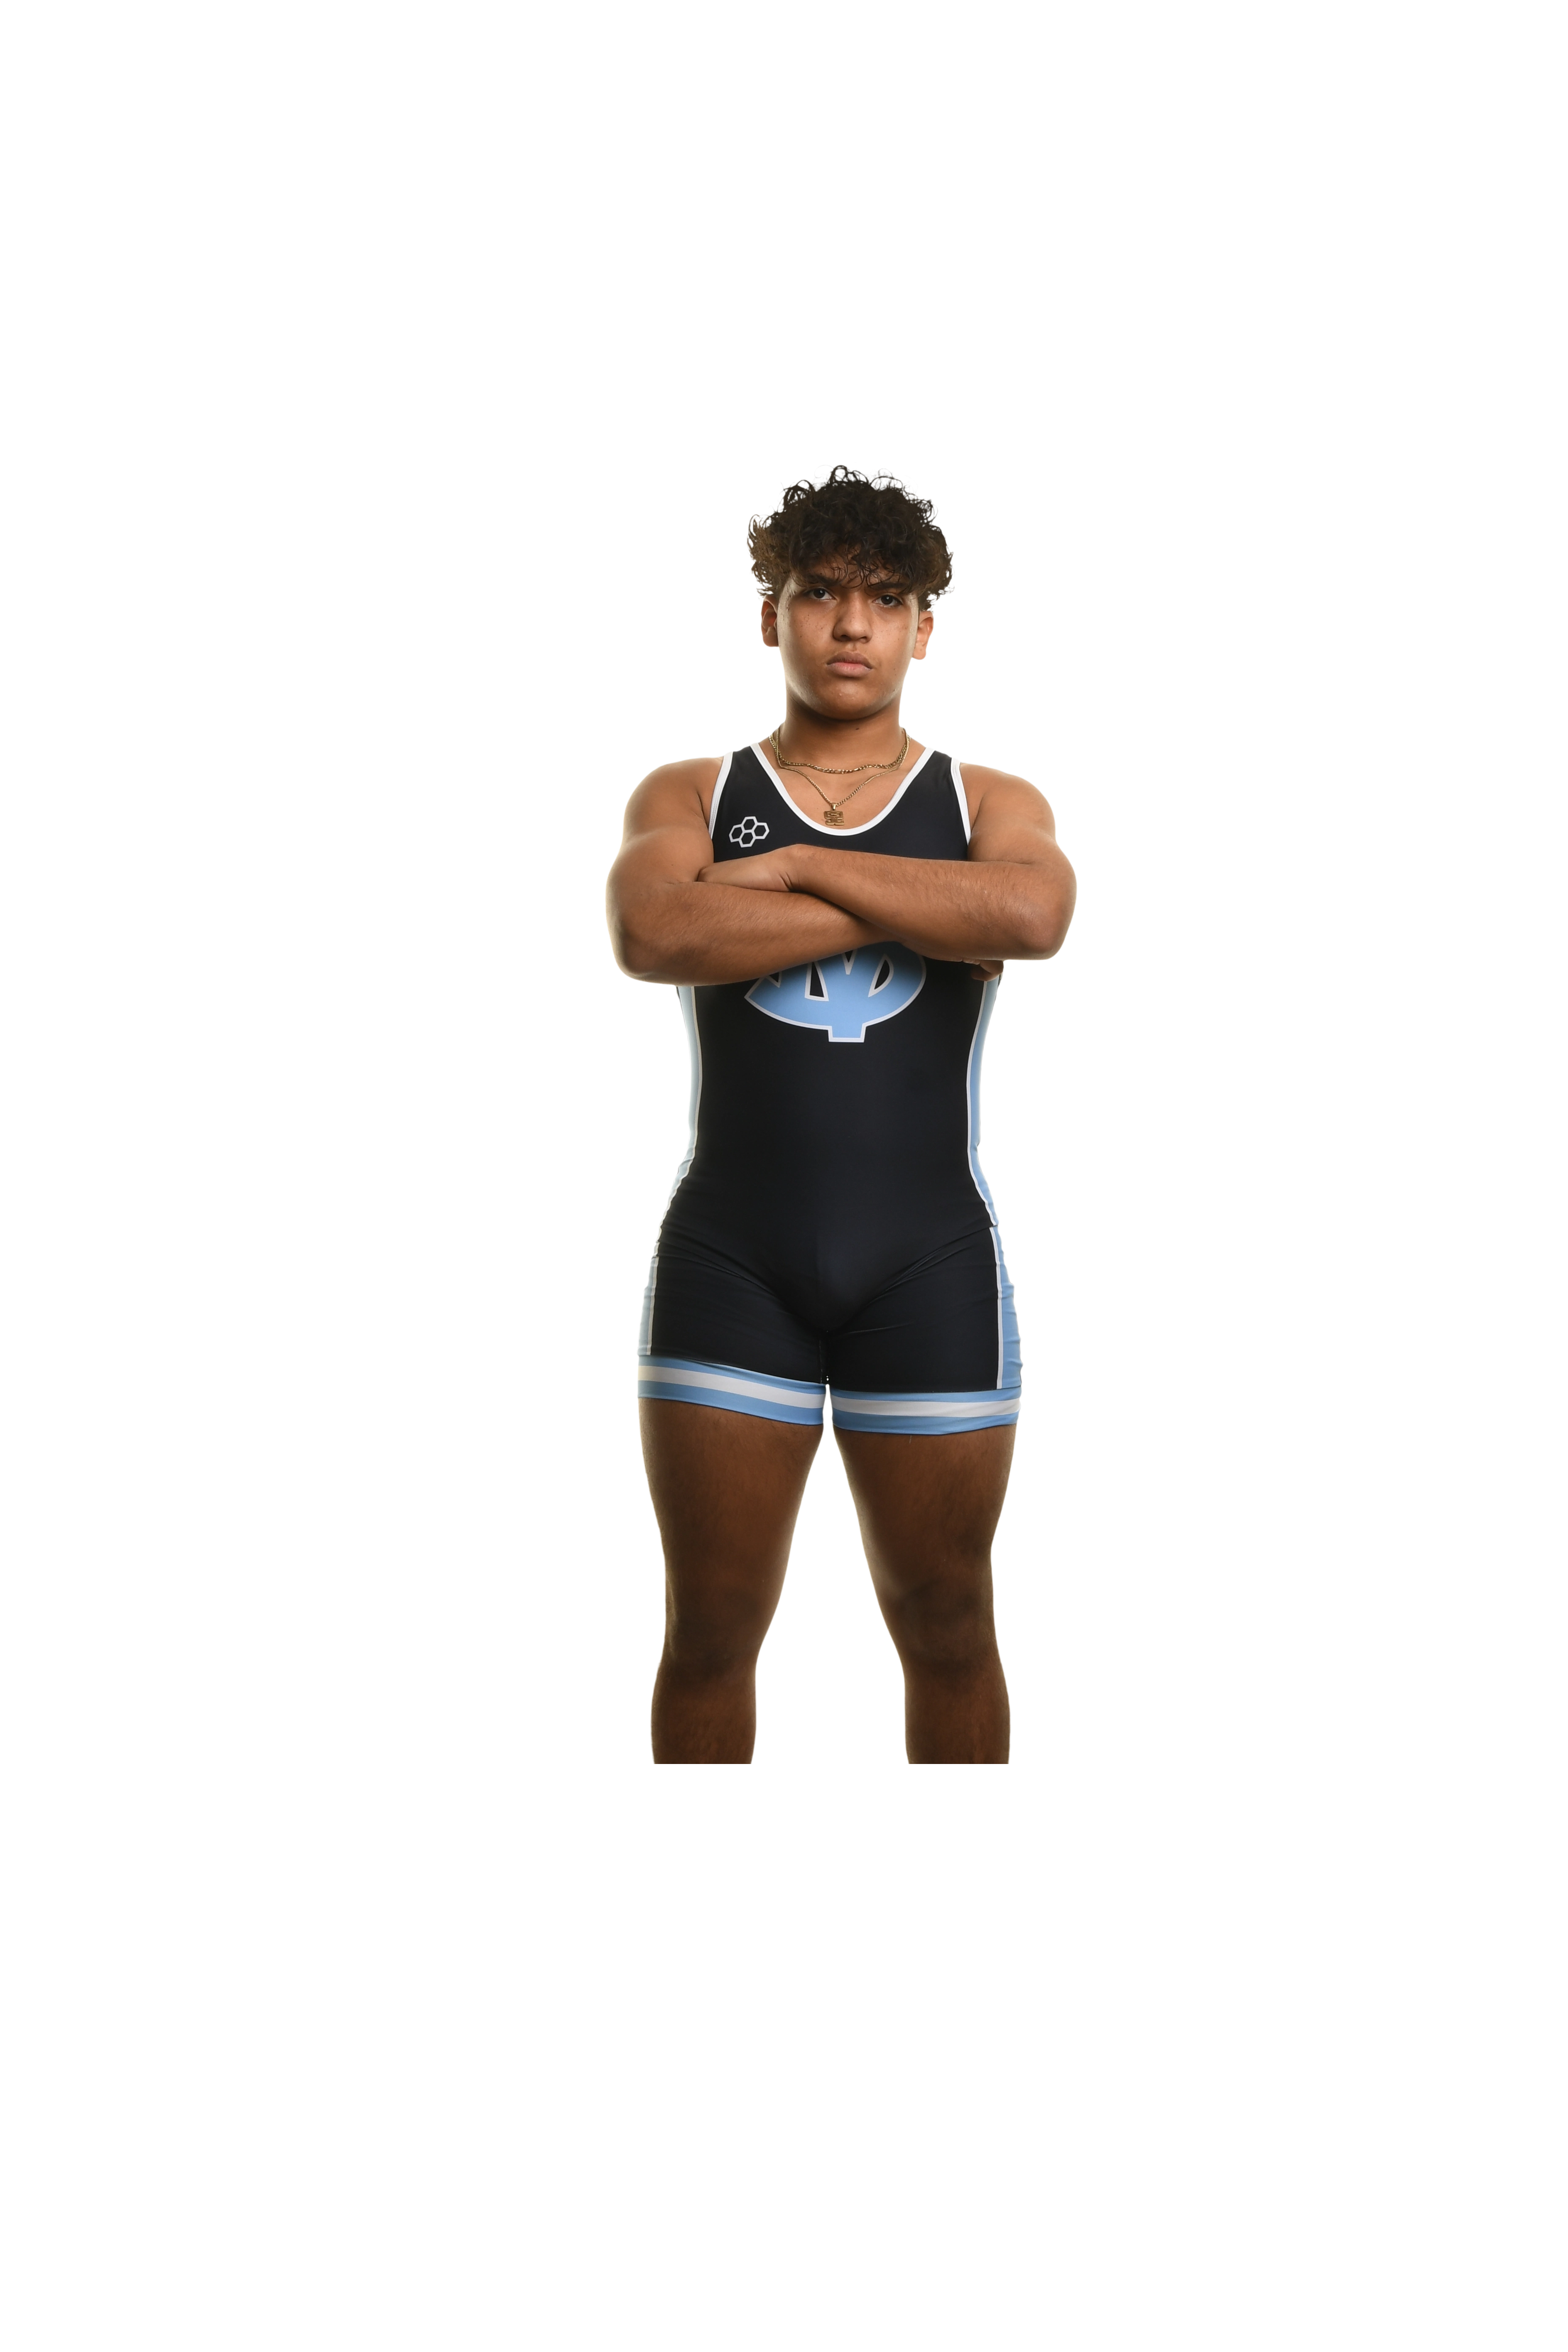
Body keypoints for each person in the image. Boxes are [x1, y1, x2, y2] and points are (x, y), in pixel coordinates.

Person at [605, 460, 1076, 1764]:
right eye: (820, 592)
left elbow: (1032, 910)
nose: (852, 624)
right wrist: (928, 908)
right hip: (730, 1264)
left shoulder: (987, 802)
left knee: (948, 1622)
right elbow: (656, 929)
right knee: (709, 1633)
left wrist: (799, 868)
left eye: (885, 598)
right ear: (773, 615)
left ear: (926, 628)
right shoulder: (692, 794)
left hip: (928, 1266)